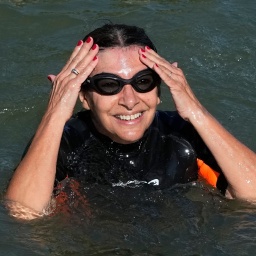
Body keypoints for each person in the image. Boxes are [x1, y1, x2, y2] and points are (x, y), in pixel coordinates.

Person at [5, 23, 256, 219]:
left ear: (159, 90)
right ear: (83, 96)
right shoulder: (64, 139)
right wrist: (54, 115)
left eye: (143, 82)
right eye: (109, 85)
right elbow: (23, 214)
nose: (129, 100)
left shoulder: (181, 133)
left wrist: (196, 111)